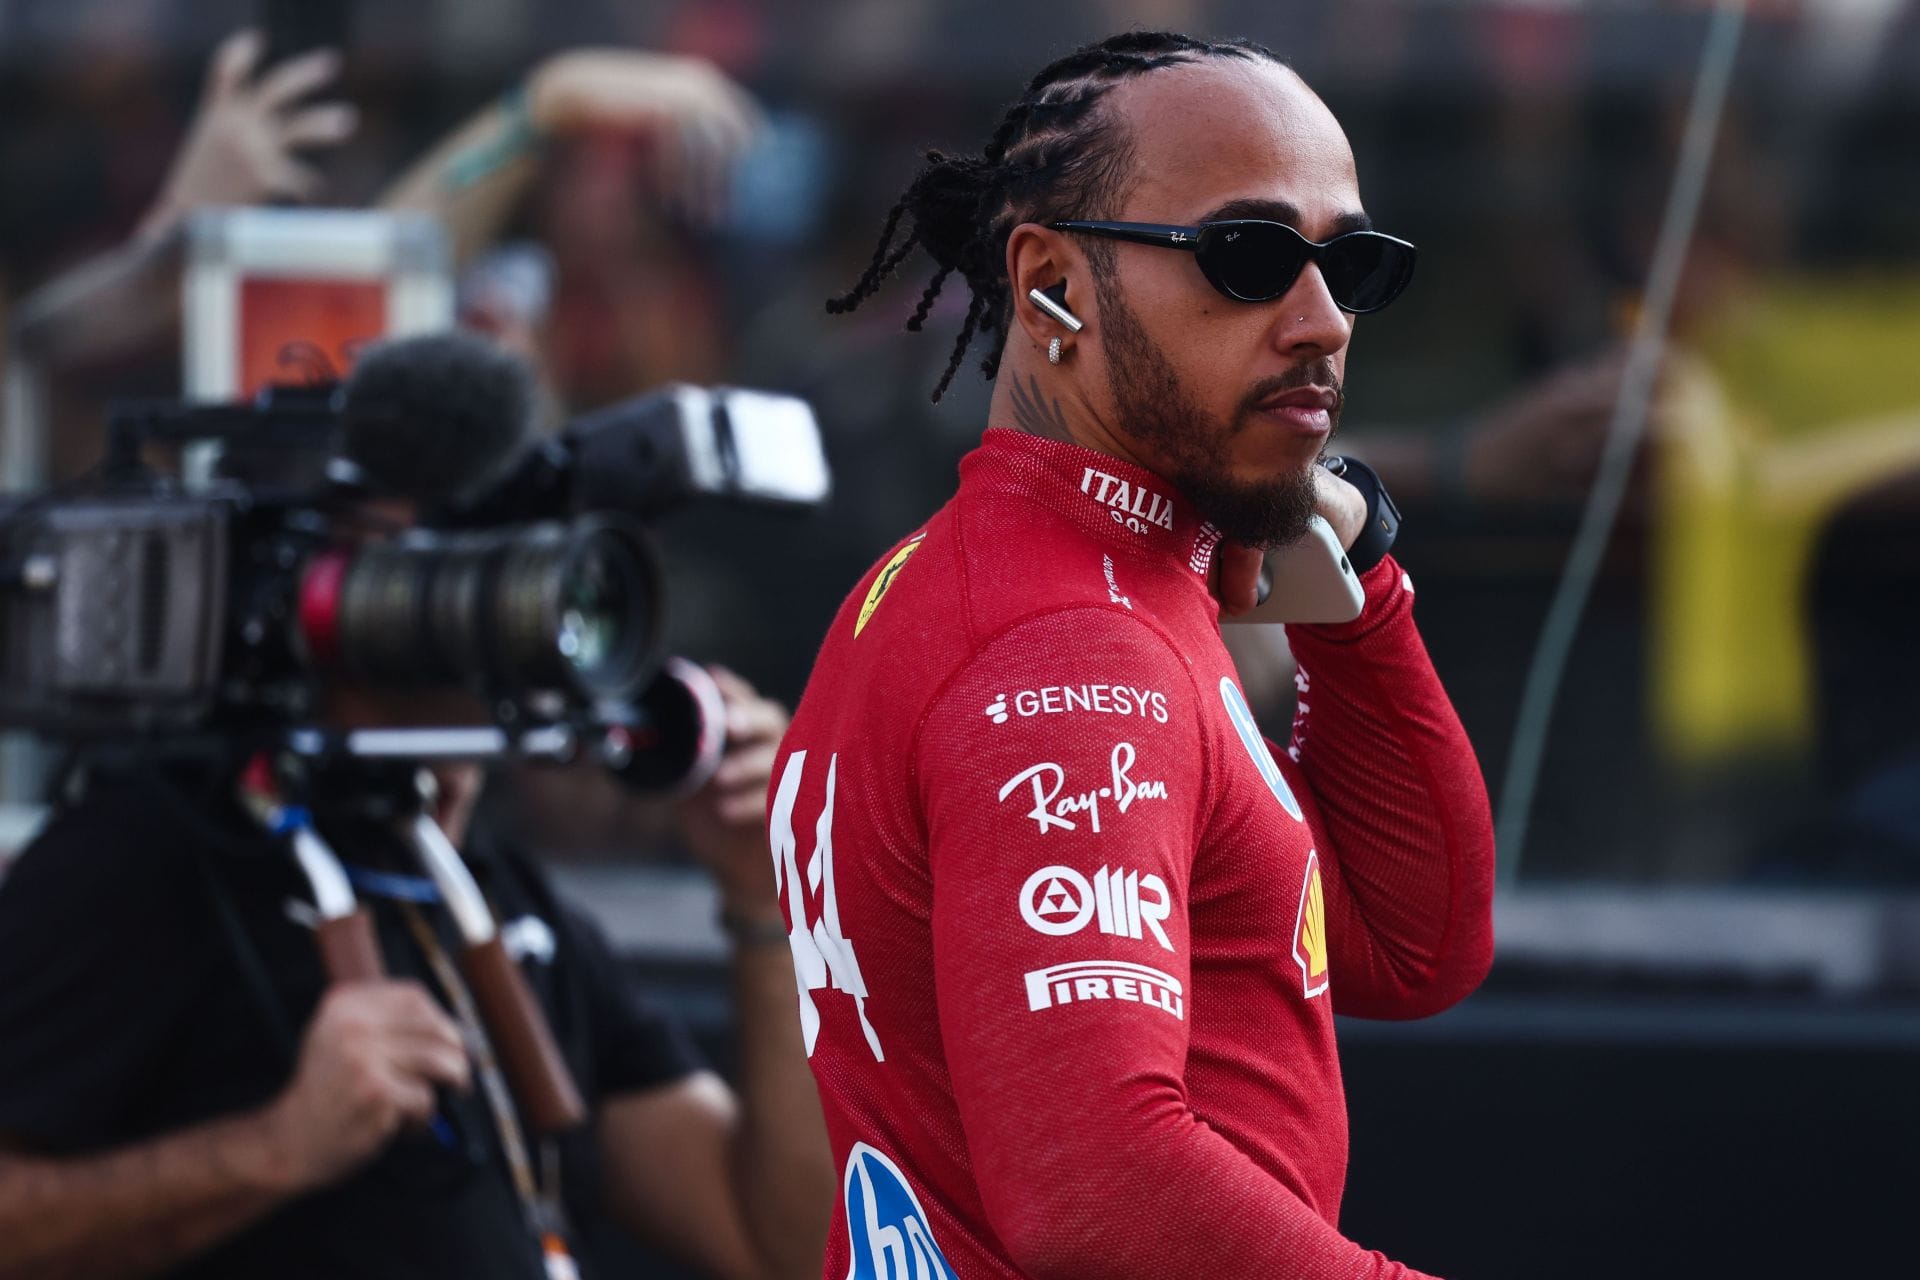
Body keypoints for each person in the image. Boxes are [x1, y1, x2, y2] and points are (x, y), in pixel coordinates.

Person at [779, 31, 1494, 1279]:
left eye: (1353, 265)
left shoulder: (1022, 576)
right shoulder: (1072, 654)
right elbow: (1099, 1187)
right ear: (1051, 285)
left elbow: (1407, 940)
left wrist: (1357, 589)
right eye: (1252, 256)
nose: (1322, 319)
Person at [0, 482, 833, 1279]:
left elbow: (783, 1247)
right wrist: (276, 1148)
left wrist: (768, 893)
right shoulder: (151, 861)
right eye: (434, 556)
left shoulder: (507, 900)